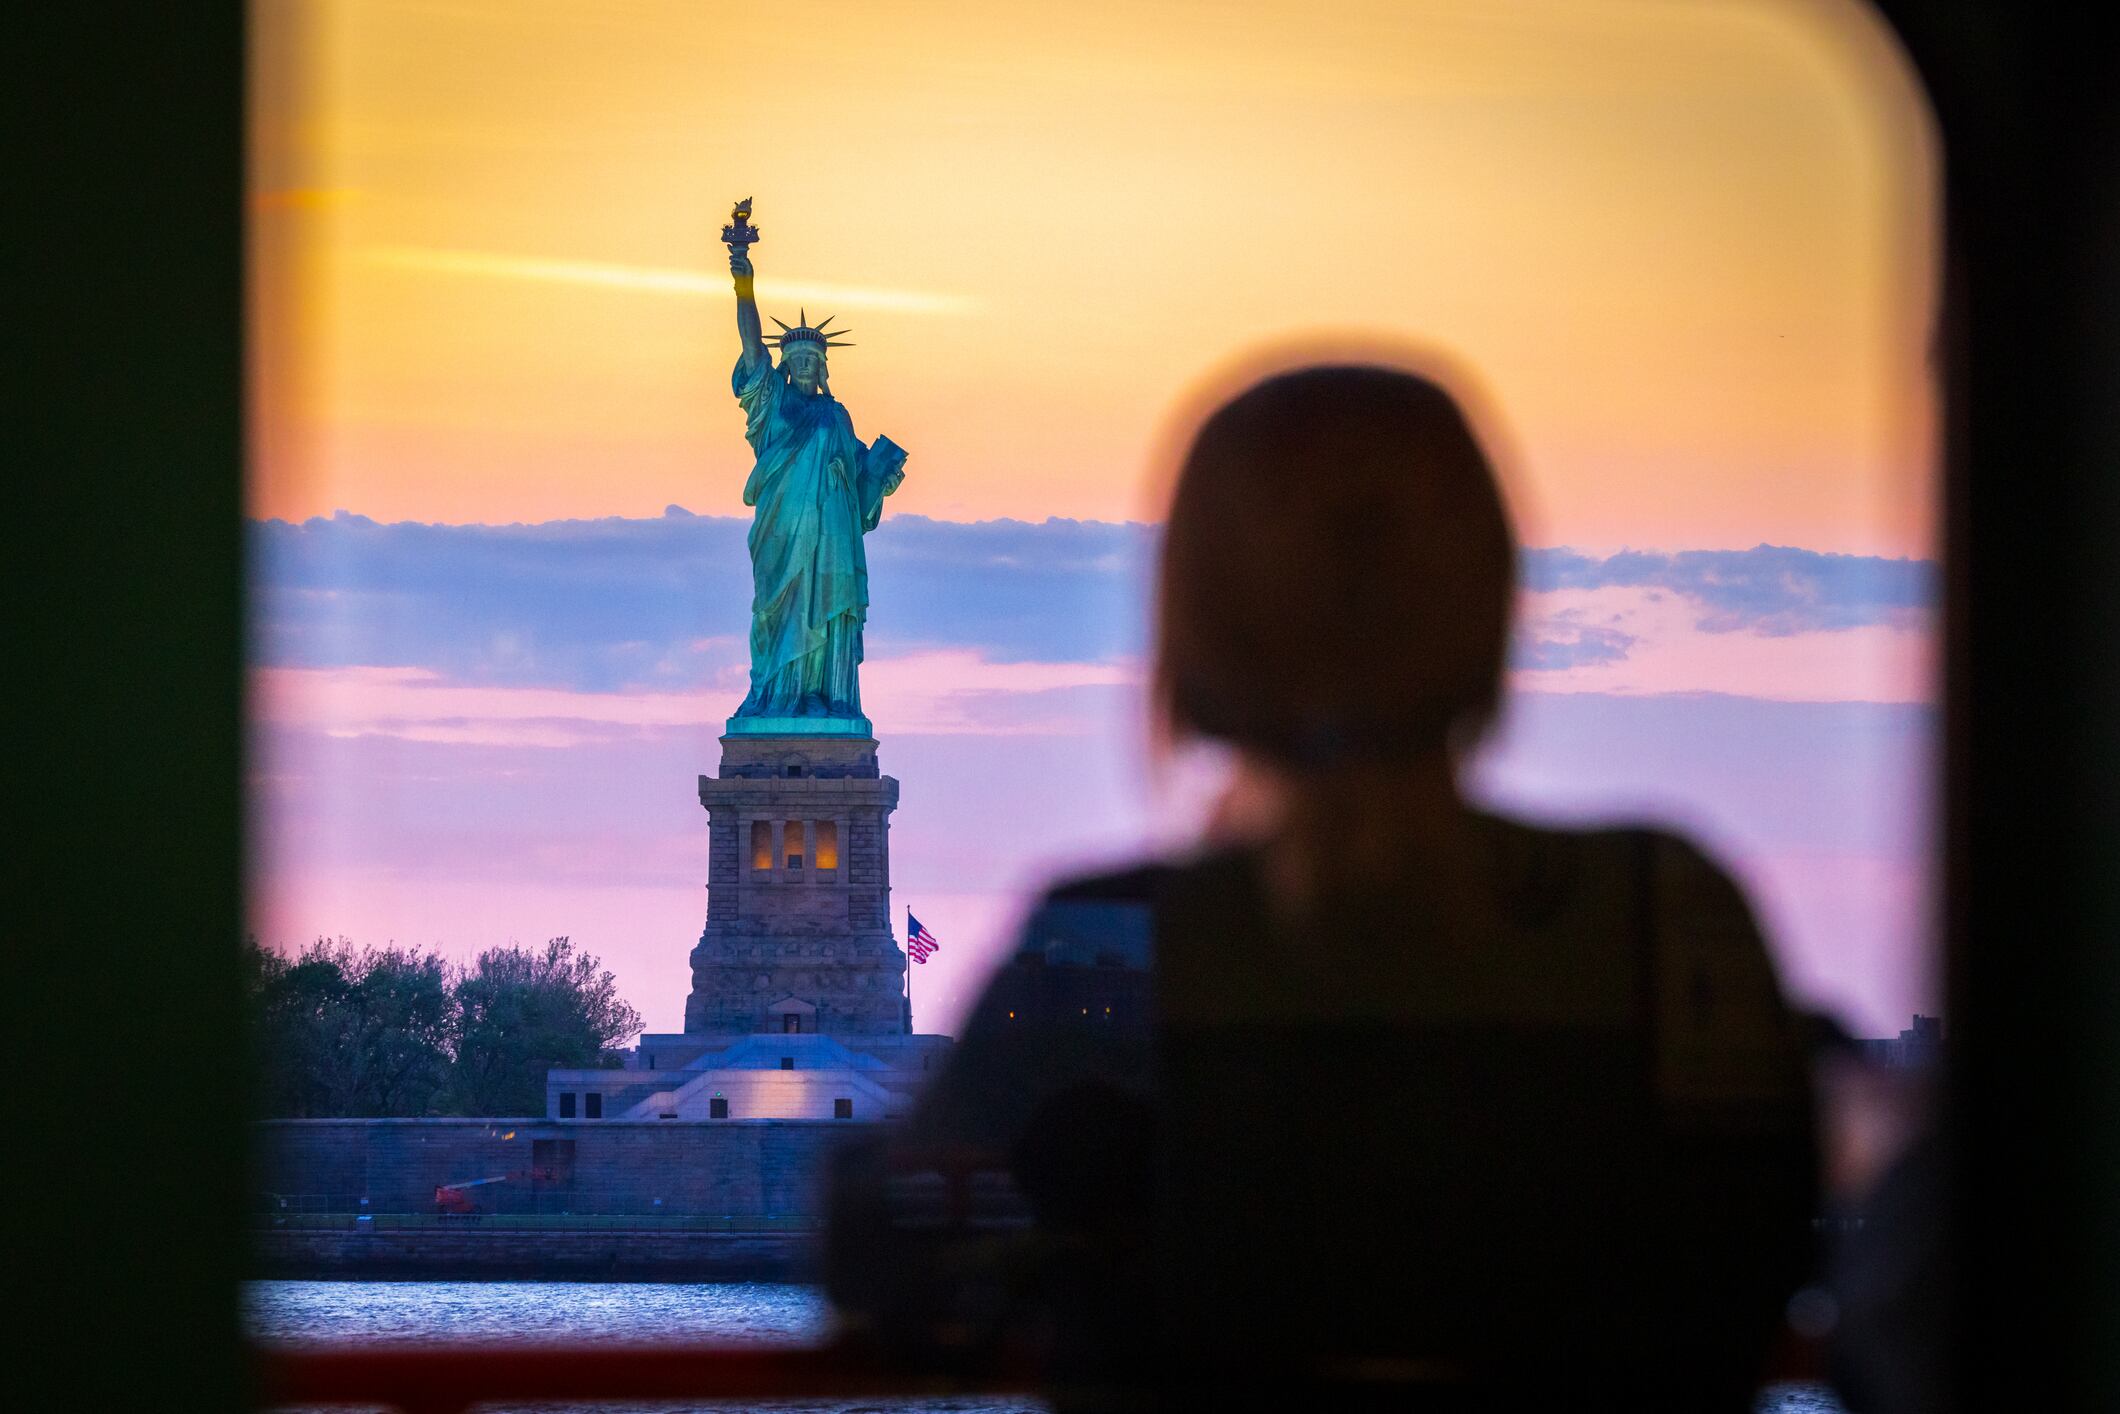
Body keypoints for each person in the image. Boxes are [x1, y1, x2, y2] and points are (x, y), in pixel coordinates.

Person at [826, 362, 1817, 1411]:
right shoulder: (1667, 917)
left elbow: (893, 1261)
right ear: (1488, 602)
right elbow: (1760, 1260)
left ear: (1192, 627)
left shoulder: (1103, 939)